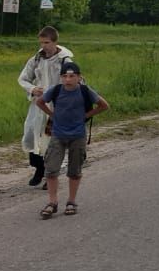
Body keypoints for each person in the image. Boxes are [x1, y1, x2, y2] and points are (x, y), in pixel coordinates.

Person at [35, 61, 109, 219]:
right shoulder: (55, 90)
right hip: (58, 135)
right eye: (64, 76)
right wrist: (52, 114)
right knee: (51, 169)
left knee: (74, 171)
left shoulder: (85, 91)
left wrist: (86, 116)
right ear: (61, 77)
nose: (68, 79)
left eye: (72, 76)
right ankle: (52, 202)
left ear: (79, 77)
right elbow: (40, 101)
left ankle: (71, 201)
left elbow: (104, 105)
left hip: (77, 135)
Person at [17, 26, 75, 188]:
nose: (43, 46)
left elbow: (73, 82)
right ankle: (39, 169)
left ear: (55, 42)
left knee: (53, 141)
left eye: (47, 42)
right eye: (41, 42)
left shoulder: (65, 61)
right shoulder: (37, 59)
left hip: (57, 108)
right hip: (38, 106)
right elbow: (23, 78)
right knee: (32, 135)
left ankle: (52, 175)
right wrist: (33, 89)